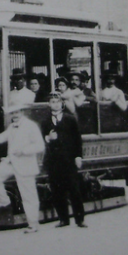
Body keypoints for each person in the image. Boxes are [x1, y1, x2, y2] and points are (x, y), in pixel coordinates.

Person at [0, 106, 45, 234]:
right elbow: (0, 138)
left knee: (28, 196)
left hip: (25, 165)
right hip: (11, 162)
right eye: (12, 113)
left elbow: (40, 145)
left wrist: (24, 151)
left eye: (17, 112)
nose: (14, 115)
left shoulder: (30, 126)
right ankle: (4, 200)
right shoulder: (12, 127)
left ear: (22, 112)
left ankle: (33, 224)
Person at [41, 92, 87, 228]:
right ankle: (63, 219)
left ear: (62, 103)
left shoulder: (70, 119)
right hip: (53, 161)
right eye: (52, 101)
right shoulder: (45, 121)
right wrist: (48, 138)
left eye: (57, 101)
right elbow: (41, 139)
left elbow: (77, 140)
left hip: (69, 159)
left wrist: (78, 156)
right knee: (57, 190)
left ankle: (80, 219)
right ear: (49, 104)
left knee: (74, 189)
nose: (55, 103)